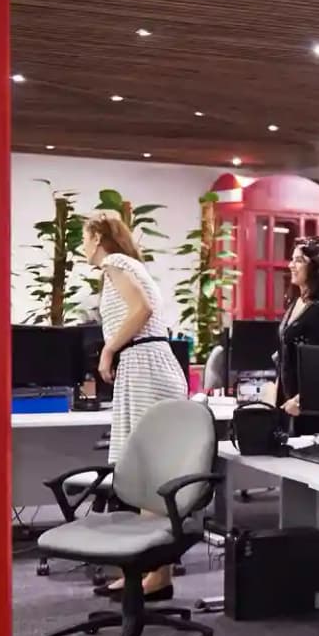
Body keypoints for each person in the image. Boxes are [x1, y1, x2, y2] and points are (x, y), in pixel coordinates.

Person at [85, 209, 188, 597]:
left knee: (151, 473)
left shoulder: (113, 262)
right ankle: (154, 573)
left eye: (85, 237)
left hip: (145, 365)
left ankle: (154, 574)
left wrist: (108, 350)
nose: (83, 245)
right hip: (149, 365)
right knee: (152, 474)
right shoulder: (129, 264)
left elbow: (140, 308)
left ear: (97, 237)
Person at [275, 235, 319, 434]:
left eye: (299, 261)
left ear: (316, 268)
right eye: (292, 259)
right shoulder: (296, 303)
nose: (291, 265)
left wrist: (301, 400)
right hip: (285, 405)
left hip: (306, 411)